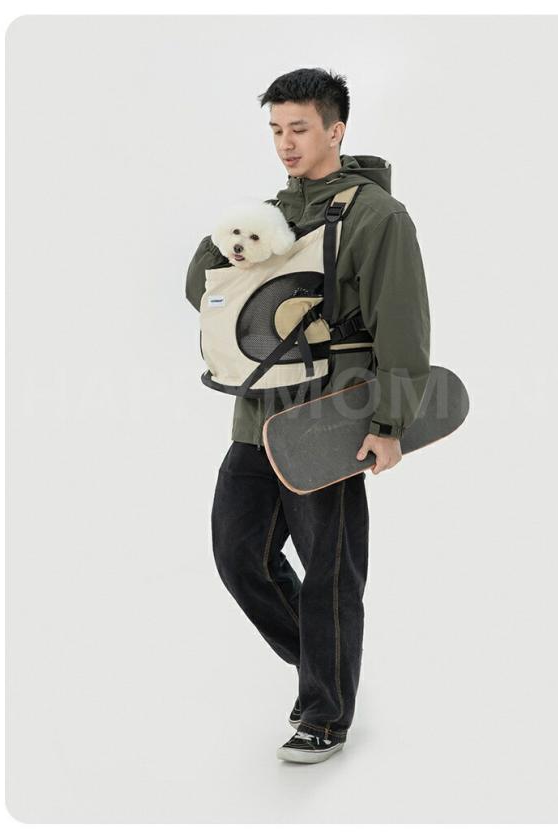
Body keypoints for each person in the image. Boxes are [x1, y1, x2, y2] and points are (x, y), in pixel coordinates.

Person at [185, 68, 431, 763]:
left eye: (298, 128)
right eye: (275, 130)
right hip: (256, 415)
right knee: (240, 556)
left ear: (335, 130)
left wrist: (389, 423)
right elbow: (205, 293)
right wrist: (227, 243)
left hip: (330, 416)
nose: (286, 143)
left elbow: (402, 322)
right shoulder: (267, 213)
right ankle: (326, 663)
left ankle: (326, 711)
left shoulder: (377, 217)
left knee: (329, 569)